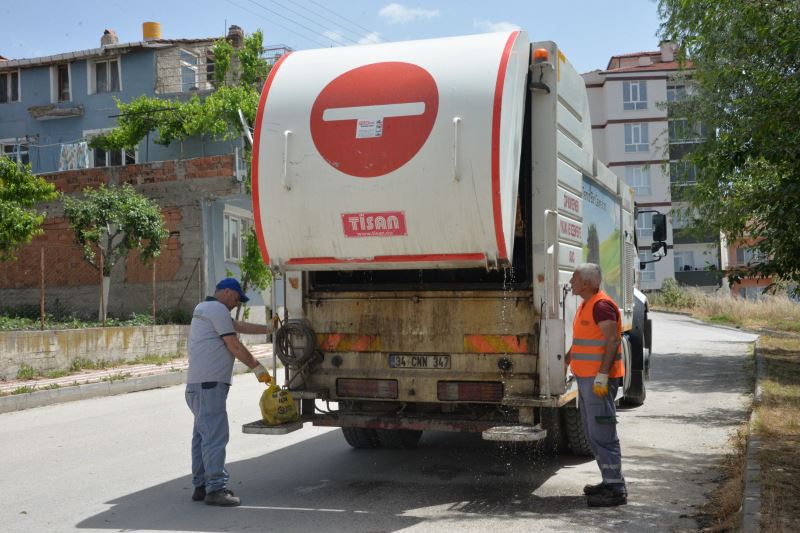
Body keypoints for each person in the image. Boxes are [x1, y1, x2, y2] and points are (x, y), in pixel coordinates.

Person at [186, 277, 275, 507]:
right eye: (236, 298)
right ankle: (215, 489)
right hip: (209, 386)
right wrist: (257, 367)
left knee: (202, 437)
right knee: (215, 437)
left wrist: (270, 329)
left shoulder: (205, 308)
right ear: (226, 292)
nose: (236, 304)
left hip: (198, 386)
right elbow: (234, 344)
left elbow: (239, 326)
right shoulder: (216, 309)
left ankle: (201, 485)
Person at [567, 263, 628, 507]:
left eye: (575, 279)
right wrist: (567, 360)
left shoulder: (601, 306)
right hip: (588, 380)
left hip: (598, 382)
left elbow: (613, 340)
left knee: (603, 433)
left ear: (588, 283)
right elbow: (584, 339)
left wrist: (602, 374)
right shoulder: (586, 305)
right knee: (593, 433)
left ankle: (616, 489)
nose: (571, 282)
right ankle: (609, 481)